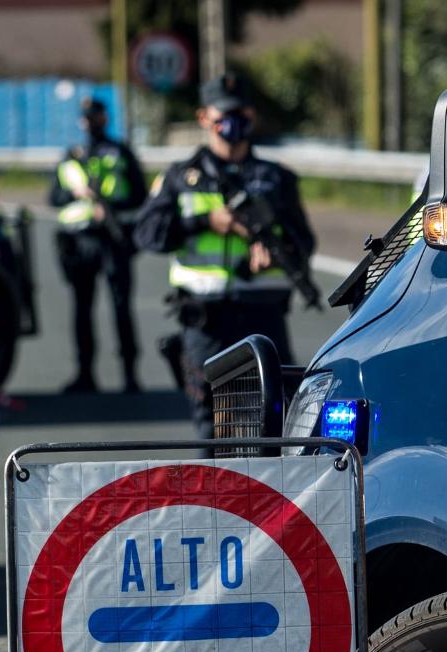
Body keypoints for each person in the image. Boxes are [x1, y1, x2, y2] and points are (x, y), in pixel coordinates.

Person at [133, 73, 315, 439]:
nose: (233, 122)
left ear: (252, 115)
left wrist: (275, 255)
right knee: (212, 422)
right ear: (204, 118)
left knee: (275, 418)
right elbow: (146, 234)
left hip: (263, 314)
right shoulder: (180, 177)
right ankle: (214, 498)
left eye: (241, 112)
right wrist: (203, 221)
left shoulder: (276, 179)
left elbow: (304, 241)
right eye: (223, 114)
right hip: (206, 319)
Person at [50, 96, 147, 394]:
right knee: (81, 309)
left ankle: (130, 375)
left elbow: (140, 195)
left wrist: (113, 207)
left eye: (94, 116)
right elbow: (54, 198)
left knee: (120, 307)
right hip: (79, 241)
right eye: (86, 116)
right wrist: (76, 193)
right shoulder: (71, 156)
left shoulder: (120, 152)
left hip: (112, 239)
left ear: (104, 118)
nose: (89, 122)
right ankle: (84, 373)